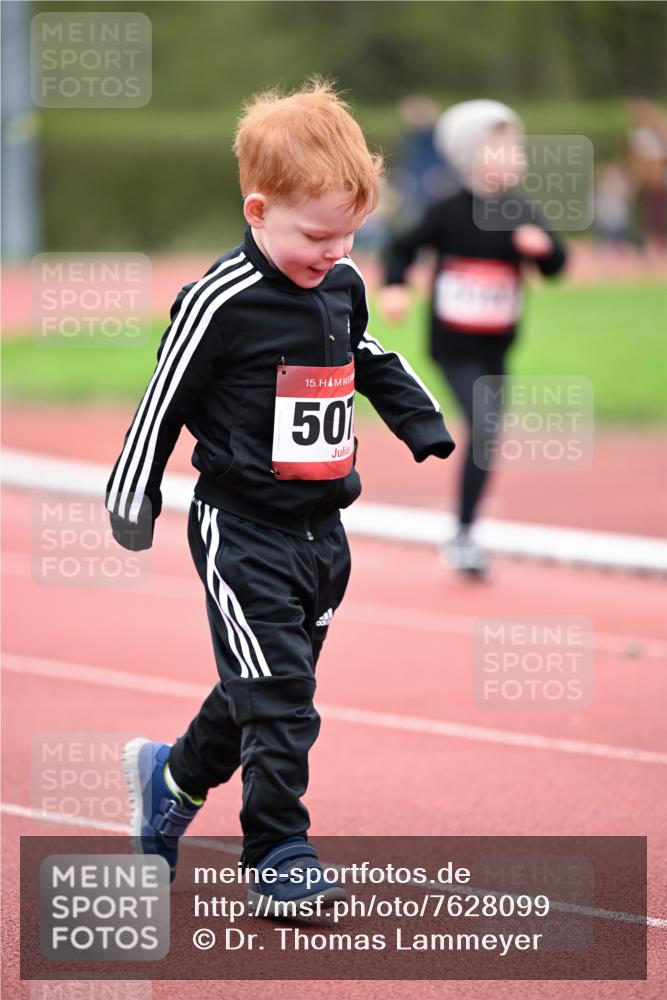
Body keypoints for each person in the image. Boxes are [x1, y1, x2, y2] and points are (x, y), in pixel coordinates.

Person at [106, 79, 455, 913]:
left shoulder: (337, 284)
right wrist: (134, 492)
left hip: (321, 530)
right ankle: (277, 851)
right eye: (316, 237)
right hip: (242, 526)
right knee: (283, 698)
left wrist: (419, 419)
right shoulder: (219, 301)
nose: (334, 254)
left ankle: (172, 777)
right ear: (258, 210)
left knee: (262, 684)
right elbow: (165, 398)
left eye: (349, 238)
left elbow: (366, 352)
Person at [378, 99, 566, 578]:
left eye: (515, 148)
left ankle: (463, 533)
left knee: (487, 438)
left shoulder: (520, 211)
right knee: (484, 426)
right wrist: (395, 285)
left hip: (496, 347)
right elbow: (402, 246)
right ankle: (463, 536)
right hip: (454, 346)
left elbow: (556, 264)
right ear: (468, 155)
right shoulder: (447, 210)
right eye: (498, 148)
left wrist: (544, 250)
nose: (512, 157)